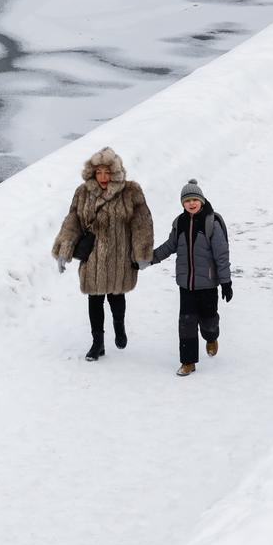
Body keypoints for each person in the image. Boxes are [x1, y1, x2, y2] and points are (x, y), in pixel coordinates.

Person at [52, 147, 154, 361]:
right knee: (94, 299)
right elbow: (73, 221)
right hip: (93, 256)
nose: (103, 177)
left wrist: (142, 253)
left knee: (116, 296)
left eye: (107, 172)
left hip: (119, 255)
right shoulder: (83, 192)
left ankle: (119, 326)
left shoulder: (131, 192)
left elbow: (142, 224)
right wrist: (64, 249)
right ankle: (97, 343)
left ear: (116, 172)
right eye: (98, 172)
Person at [150, 179, 232, 376]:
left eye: (195, 199)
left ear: (201, 200)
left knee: (208, 321)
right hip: (186, 284)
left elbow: (221, 254)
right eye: (187, 201)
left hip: (208, 284)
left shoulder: (211, 222)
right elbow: (170, 246)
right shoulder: (180, 223)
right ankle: (188, 362)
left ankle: (211, 338)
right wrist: (149, 259)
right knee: (186, 323)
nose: (191, 203)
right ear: (182, 204)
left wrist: (226, 282)